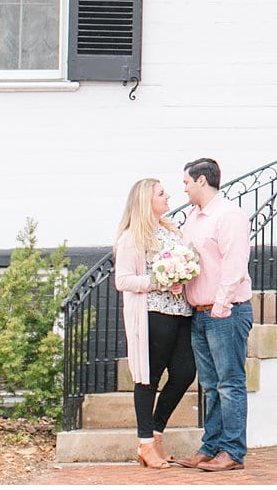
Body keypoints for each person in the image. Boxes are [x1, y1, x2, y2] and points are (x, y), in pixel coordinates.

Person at [174, 157, 254, 472]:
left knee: (230, 383)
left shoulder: (228, 216)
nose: (184, 188)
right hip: (199, 313)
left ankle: (232, 452)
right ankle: (211, 446)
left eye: (186, 182)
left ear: (202, 181)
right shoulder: (192, 219)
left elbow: (235, 264)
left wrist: (220, 306)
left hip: (226, 312)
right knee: (210, 384)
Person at [113, 178, 199, 469]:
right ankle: (145, 443)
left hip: (181, 312)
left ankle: (157, 432)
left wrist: (183, 275)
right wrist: (158, 281)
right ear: (145, 200)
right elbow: (122, 280)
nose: (168, 196)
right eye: (162, 193)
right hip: (153, 314)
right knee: (148, 378)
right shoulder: (132, 237)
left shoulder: (171, 229)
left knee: (185, 373)